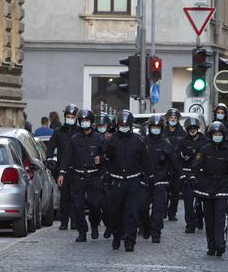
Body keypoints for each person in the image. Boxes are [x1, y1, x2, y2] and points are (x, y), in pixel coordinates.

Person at [191, 122, 228, 257]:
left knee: (220, 217)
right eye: (215, 134)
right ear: (211, 135)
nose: (217, 137)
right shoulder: (204, 149)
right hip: (207, 187)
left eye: (220, 135)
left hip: (223, 186)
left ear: (223, 136)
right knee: (209, 219)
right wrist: (193, 177)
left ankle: (220, 244)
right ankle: (211, 246)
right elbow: (196, 165)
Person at [106, 110, 151, 252]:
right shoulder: (112, 140)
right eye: (121, 124)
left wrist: (150, 177)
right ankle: (117, 234)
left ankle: (130, 240)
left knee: (132, 211)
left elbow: (146, 161)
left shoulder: (138, 140)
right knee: (114, 211)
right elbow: (105, 159)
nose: (123, 127)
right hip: (117, 180)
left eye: (126, 125)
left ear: (130, 125)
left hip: (133, 180)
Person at [59, 109, 106, 242]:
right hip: (78, 176)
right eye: (82, 121)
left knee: (94, 204)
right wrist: (62, 173)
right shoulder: (74, 139)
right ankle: (82, 231)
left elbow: (107, 156)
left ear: (91, 122)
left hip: (94, 176)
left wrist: (101, 159)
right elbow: (67, 157)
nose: (84, 123)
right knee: (78, 205)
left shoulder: (99, 138)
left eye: (87, 120)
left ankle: (94, 225)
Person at [139, 115, 182, 243]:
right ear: (149, 128)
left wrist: (180, 175)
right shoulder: (143, 142)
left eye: (158, 127)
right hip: (145, 180)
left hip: (160, 181)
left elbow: (174, 162)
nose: (155, 129)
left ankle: (155, 232)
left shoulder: (166, 144)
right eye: (153, 127)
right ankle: (145, 226)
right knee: (141, 207)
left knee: (158, 209)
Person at [49, 104, 79, 230]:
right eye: (68, 116)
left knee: (75, 196)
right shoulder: (58, 132)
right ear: (65, 117)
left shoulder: (79, 131)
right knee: (65, 196)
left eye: (72, 117)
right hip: (63, 169)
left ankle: (74, 221)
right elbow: (50, 147)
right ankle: (64, 221)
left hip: (78, 168)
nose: (70, 119)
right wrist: (49, 159)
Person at [178, 117, 209, 233]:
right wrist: (181, 173)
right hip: (187, 173)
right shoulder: (183, 141)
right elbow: (178, 159)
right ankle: (190, 225)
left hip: (201, 175)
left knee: (200, 201)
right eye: (190, 128)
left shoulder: (205, 141)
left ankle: (199, 217)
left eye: (194, 128)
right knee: (188, 202)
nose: (192, 130)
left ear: (198, 128)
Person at [163, 108, 186, 222]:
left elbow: (186, 147)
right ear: (167, 119)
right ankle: (162, 211)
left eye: (175, 118)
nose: (173, 120)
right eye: (171, 118)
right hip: (163, 165)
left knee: (175, 191)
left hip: (177, 165)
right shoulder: (162, 131)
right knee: (163, 190)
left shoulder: (183, 133)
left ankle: (172, 213)